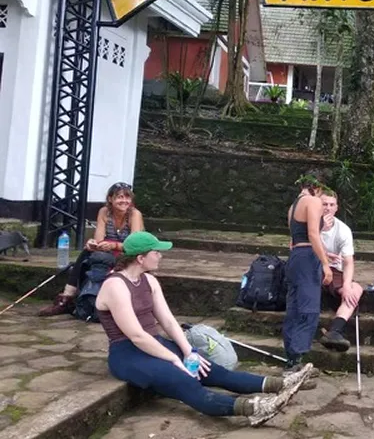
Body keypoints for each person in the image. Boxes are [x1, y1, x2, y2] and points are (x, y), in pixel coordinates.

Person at [95, 231, 314, 426]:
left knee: (212, 369)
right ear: (141, 258)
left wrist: (188, 351)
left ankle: (279, 384)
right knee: (185, 382)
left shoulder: (149, 281)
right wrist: (174, 359)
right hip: (128, 354)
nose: (160, 255)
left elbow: (169, 321)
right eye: (156, 252)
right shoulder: (115, 285)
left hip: (156, 344)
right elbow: (136, 336)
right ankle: (254, 409)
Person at [39, 181, 144, 316]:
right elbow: (99, 238)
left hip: (130, 252)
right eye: (120, 197)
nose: (124, 201)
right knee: (87, 252)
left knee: (101, 259)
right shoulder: (104, 212)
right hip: (110, 250)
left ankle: (78, 298)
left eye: (127, 197)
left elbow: (135, 245)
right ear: (110, 199)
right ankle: (67, 297)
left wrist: (115, 245)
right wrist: (93, 244)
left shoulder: (134, 214)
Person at [284, 175, 333, 372]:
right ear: (317, 187)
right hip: (307, 258)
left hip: (295, 255)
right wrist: (325, 264)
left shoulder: (294, 205)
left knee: (294, 307)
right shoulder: (313, 201)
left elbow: (295, 237)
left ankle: (291, 355)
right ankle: (297, 358)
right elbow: (313, 234)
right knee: (308, 309)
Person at [318, 189, 363, 352]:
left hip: (335, 270)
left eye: (331, 205)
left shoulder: (343, 230)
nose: (328, 208)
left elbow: (348, 261)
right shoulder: (310, 224)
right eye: (324, 204)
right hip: (313, 267)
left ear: (337, 208)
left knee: (355, 289)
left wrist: (347, 285)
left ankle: (335, 330)